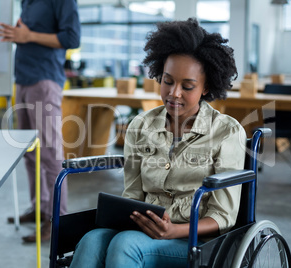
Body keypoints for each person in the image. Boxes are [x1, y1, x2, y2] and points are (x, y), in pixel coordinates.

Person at [69, 18, 247, 267]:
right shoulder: (141, 126)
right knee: (92, 240)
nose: (174, 93)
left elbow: (223, 216)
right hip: (144, 230)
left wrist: (174, 231)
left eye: (188, 86)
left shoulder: (226, 132)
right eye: (168, 81)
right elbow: (132, 195)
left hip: (196, 240)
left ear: (206, 87)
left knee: (126, 245)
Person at [0, 0, 81, 243]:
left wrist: (28, 35)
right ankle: (40, 208)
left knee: (51, 154)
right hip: (22, 79)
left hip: (44, 81)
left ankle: (56, 222)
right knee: (29, 153)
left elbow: (72, 38)